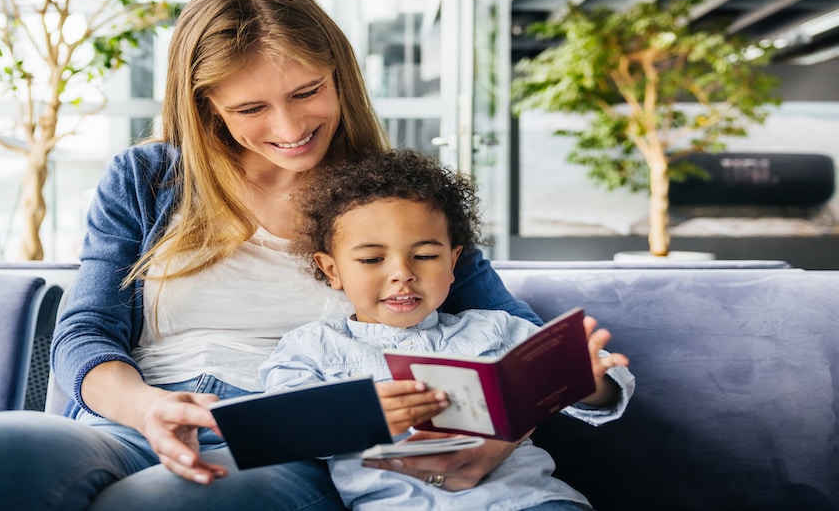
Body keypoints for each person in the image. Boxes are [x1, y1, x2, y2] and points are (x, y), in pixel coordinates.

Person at [0, 0, 547, 511]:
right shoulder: (146, 177)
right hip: (129, 421)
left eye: (308, 91)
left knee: (169, 500)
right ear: (205, 106)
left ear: (340, 74)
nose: (289, 126)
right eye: (251, 108)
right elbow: (84, 335)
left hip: (286, 447)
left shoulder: (397, 202)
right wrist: (149, 409)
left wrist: (501, 439)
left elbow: (532, 354)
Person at [260, 149, 635, 510]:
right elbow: (282, 430)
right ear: (332, 270)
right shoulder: (311, 347)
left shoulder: (495, 329)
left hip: (528, 501)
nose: (403, 273)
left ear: (454, 261)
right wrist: (362, 415)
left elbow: (606, 389)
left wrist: (586, 378)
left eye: (425, 256)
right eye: (373, 259)